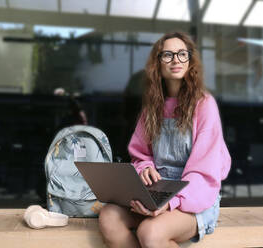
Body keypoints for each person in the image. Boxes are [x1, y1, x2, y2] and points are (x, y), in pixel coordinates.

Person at [98, 31, 231, 247]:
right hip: (158, 192)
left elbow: (204, 172)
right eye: (167, 55)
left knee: (150, 232)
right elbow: (141, 154)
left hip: (195, 198)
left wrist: (169, 203)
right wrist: (145, 168)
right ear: (157, 63)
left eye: (182, 54)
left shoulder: (204, 104)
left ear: (190, 61)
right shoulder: (152, 106)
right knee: (109, 216)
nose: (176, 60)